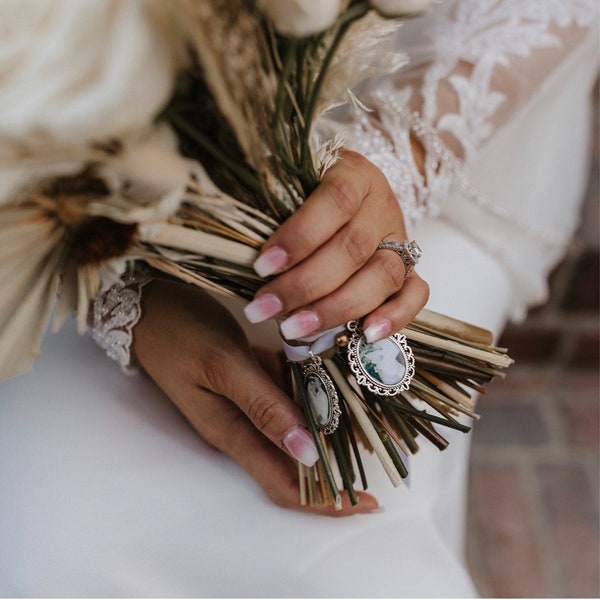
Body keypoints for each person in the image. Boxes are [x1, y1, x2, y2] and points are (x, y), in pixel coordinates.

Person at [0, 0, 597, 596]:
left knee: (363, 558)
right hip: (88, 198)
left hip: (439, 140)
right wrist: (123, 294)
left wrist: (396, 160)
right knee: (61, 541)